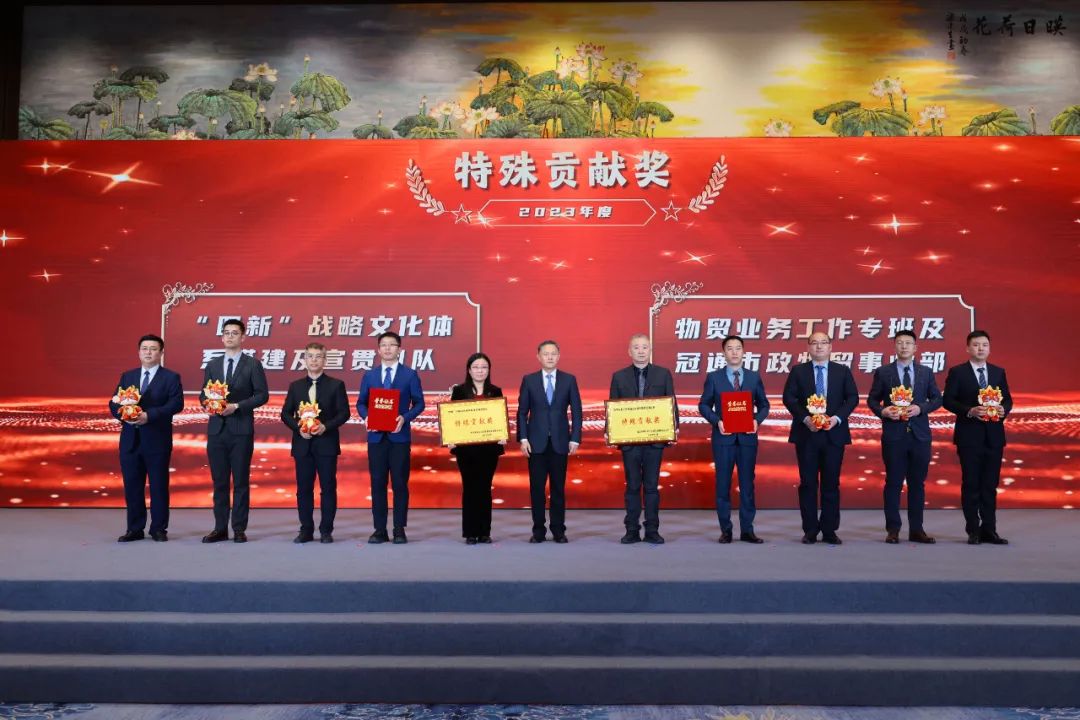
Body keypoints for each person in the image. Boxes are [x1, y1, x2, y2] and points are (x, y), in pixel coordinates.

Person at [781, 332, 859, 545]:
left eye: (823, 343)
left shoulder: (842, 371)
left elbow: (852, 397)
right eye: (814, 343)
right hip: (807, 435)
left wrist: (837, 419)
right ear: (808, 348)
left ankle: (830, 530)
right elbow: (789, 398)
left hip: (834, 435)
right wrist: (806, 419)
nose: (819, 347)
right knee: (807, 484)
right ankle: (810, 530)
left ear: (830, 347)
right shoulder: (798, 371)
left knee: (831, 483)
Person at [867, 330, 942, 544]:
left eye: (908, 343)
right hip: (894, 435)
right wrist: (883, 411)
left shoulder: (925, 372)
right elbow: (872, 400)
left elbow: (937, 399)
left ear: (915, 348)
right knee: (893, 482)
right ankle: (893, 529)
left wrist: (921, 408)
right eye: (900, 343)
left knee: (917, 484)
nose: (904, 346)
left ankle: (917, 530)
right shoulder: (883, 372)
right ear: (895, 347)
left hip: (920, 436)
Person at [109, 333, 184, 542]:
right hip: (130, 440)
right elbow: (114, 402)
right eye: (144, 348)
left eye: (153, 349)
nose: (148, 352)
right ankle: (134, 528)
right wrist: (125, 416)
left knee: (158, 486)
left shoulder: (171, 377)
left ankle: (158, 529)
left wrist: (149, 416)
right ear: (139, 352)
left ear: (161, 353)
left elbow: (176, 404)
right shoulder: (128, 376)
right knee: (132, 486)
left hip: (157, 440)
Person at [200, 318, 269, 543]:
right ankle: (220, 528)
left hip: (241, 430)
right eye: (226, 333)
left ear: (243, 337)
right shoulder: (212, 365)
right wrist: (207, 404)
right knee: (219, 482)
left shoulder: (252, 364)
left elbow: (262, 395)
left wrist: (237, 406)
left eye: (234, 333)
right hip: (217, 430)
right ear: (222, 338)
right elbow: (203, 394)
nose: (230, 336)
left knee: (240, 482)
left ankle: (239, 528)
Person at [698, 335, 770, 544]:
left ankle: (747, 530)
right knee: (723, 485)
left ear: (744, 352)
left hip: (747, 439)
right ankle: (726, 530)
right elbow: (703, 405)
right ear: (724, 353)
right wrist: (717, 421)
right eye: (730, 348)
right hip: (723, 439)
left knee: (747, 486)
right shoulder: (714, 377)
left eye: (738, 348)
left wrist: (757, 420)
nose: (734, 352)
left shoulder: (753, 377)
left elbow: (764, 405)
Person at [943, 330, 1013, 545]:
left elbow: (1008, 400)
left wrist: (1003, 409)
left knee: (990, 485)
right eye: (976, 345)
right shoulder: (958, 372)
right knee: (971, 484)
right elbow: (948, 401)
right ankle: (973, 530)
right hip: (969, 436)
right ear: (968, 348)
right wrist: (969, 411)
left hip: (994, 436)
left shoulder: (998, 372)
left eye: (984, 345)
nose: (980, 348)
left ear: (989, 348)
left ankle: (989, 530)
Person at [356, 331, 425, 544]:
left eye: (392, 345)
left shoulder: (409, 375)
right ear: (378, 350)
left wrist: (405, 418)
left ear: (399, 349)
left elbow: (419, 403)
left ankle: (399, 529)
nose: (387, 348)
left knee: (400, 484)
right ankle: (379, 530)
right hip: (376, 439)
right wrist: (367, 417)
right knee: (377, 483)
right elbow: (361, 403)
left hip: (399, 438)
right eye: (383, 345)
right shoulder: (370, 375)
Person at [280, 342, 350, 544]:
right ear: (304, 360)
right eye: (310, 356)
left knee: (328, 488)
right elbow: (285, 413)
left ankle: (326, 530)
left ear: (325, 360)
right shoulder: (295, 386)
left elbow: (344, 413)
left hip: (326, 444)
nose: (314, 360)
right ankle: (306, 530)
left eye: (318, 356)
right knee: (303, 490)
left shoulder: (336, 385)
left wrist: (325, 427)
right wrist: (298, 428)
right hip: (302, 445)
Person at [609, 334, 675, 545]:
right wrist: (610, 430)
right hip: (629, 442)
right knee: (632, 486)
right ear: (629, 351)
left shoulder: (663, 374)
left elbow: (671, 403)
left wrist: (673, 429)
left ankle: (652, 530)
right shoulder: (619, 376)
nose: (640, 351)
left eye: (644, 347)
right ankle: (631, 530)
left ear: (650, 350)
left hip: (655, 442)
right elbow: (613, 407)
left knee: (651, 487)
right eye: (636, 347)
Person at [517, 340, 583, 543]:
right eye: (546, 354)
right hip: (535, 444)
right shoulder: (529, 380)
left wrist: (575, 438)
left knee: (558, 490)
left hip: (560, 443)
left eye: (553, 353)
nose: (550, 357)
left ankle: (558, 530)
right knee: (537, 490)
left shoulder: (569, 380)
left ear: (559, 356)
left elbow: (577, 412)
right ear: (538, 356)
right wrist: (523, 438)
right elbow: (522, 412)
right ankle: (538, 531)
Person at [448, 352, 505, 544]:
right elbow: (452, 418)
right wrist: (451, 437)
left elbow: (499, 417)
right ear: (469, 370)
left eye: (484, 367)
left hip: (489, 449)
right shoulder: (459, 391)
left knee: (485, 488)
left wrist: (502, 433)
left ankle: (484, 532)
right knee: (470, 488)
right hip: (466, 450)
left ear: (489, 370)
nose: (480, 371)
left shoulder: (495, 391)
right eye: (476, 367)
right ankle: (470, 533)